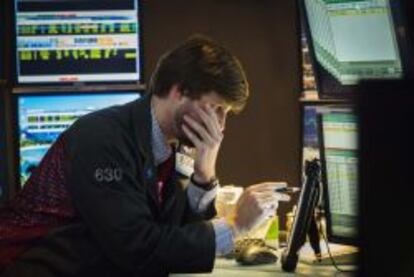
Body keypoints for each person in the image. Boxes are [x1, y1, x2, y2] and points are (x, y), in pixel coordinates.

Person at [0, 35, 289, 276]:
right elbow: (138, 247)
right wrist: (236, 224)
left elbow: (175, 235)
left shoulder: (169, 145)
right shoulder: (104, 139)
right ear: (180, 91)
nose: (221, 126)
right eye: (216, 109)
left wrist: (204, 175)